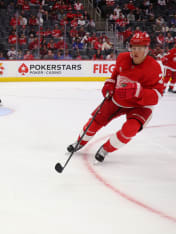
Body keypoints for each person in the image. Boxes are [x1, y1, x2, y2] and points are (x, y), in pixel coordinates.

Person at [67, 32, 164, 163]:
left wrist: (138, 92)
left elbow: (157, 96)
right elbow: (114, 77)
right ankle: (79, 142)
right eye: (133, 48)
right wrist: (108, 87)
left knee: (130, 129)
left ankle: (106, 149)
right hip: (118, 99)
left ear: (147, 49)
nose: (135, 51)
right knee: (96, 120)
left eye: (140, 48)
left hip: (140, 105)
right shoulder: (123, 58)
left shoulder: (155, 68)